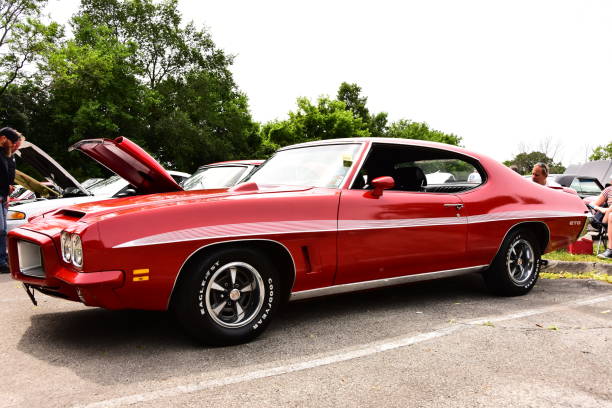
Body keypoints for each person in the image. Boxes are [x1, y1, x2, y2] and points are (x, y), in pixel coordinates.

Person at [0, 127, 24, 274]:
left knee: (2, 230)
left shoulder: (6, 155)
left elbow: (9, 177)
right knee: (1, 229)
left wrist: (7, 189)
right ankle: (1, 261)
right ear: (3, 138)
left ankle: (2, 259)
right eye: (13, 142)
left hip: (3, 197)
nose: (15, 145)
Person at [590, 183, 612, 258]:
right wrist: (601, 209)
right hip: (607, 219)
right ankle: (610, 250)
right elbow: (592, 204)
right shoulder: (608, 190)